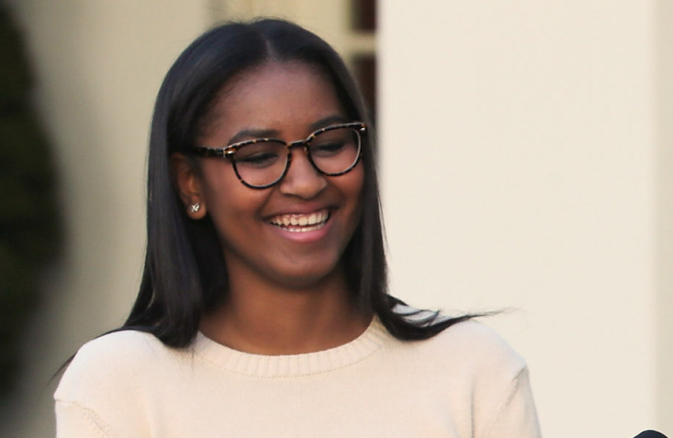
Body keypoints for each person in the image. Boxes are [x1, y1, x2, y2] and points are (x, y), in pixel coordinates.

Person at [54, 18, 542, 437]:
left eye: (329, 144)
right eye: (259, 156)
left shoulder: (473, 372)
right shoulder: (119, 384)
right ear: (189, 184)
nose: (306, 182)